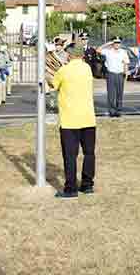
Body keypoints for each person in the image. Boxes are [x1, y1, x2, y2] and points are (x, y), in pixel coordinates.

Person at [49, 42, 97, 199]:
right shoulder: (87, 69)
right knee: (89, 153)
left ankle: (70, 189)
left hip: (70, 119)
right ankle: (87, 185)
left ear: (69, 55)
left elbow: (53, 85)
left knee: (70, 155)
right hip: (88, 118)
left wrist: (49, 72)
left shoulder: (64, 70)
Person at [99, 37, 129, 117]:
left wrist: (126, 74)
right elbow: (98, 50)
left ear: (120, 44)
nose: (117, 44)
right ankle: (112, 111)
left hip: (120, 74)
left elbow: (126, 63)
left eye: (118, 43)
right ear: (113, 43)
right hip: (111, 74)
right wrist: (108, 43)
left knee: (119, 93)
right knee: (111, 94)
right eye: (115, 42)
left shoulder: (123, 52)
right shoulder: (108, 51)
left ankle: (118, 110)